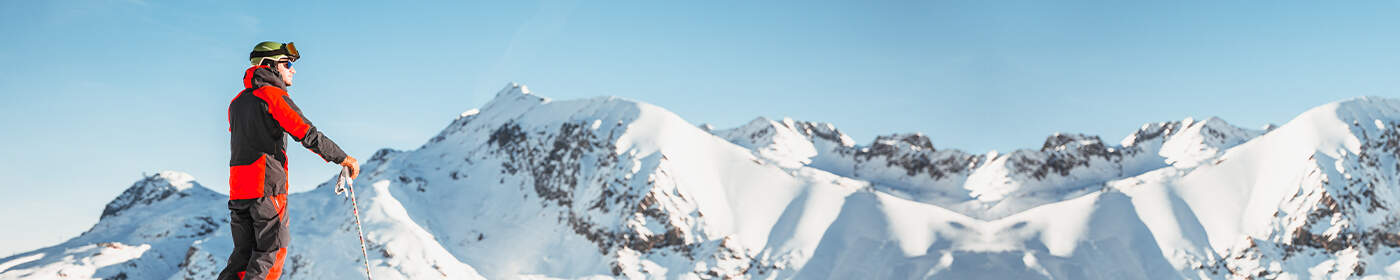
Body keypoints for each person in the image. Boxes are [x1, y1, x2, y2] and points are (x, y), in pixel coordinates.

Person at [219, 41, 360, 280]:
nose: (292, 70)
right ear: (271, 66)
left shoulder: (237, 103)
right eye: (288, 63)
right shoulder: (272, 96)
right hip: (267, 188)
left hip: (239, 191)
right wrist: (343, 158)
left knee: (242, 257)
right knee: (271, 253)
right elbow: (306, 133)